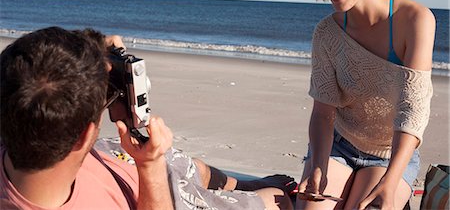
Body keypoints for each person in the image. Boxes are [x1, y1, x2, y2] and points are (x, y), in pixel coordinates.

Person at [0, 27, 295, 210]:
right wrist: (150, 166)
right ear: (82, 138)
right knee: (275, 198)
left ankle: (235, 183)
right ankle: (244, 189)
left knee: (181, 162)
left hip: (121, 163)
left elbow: (32, 74)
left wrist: (92, 50)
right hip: (158, 195)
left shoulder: (19, 124)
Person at [296, 0, 435, 210]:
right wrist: (318, 166)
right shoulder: (326, 33)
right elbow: (323, 113)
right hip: (337, 147)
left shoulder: (415, 20)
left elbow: (414, 110)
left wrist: (392, 180)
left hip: (391, 154)